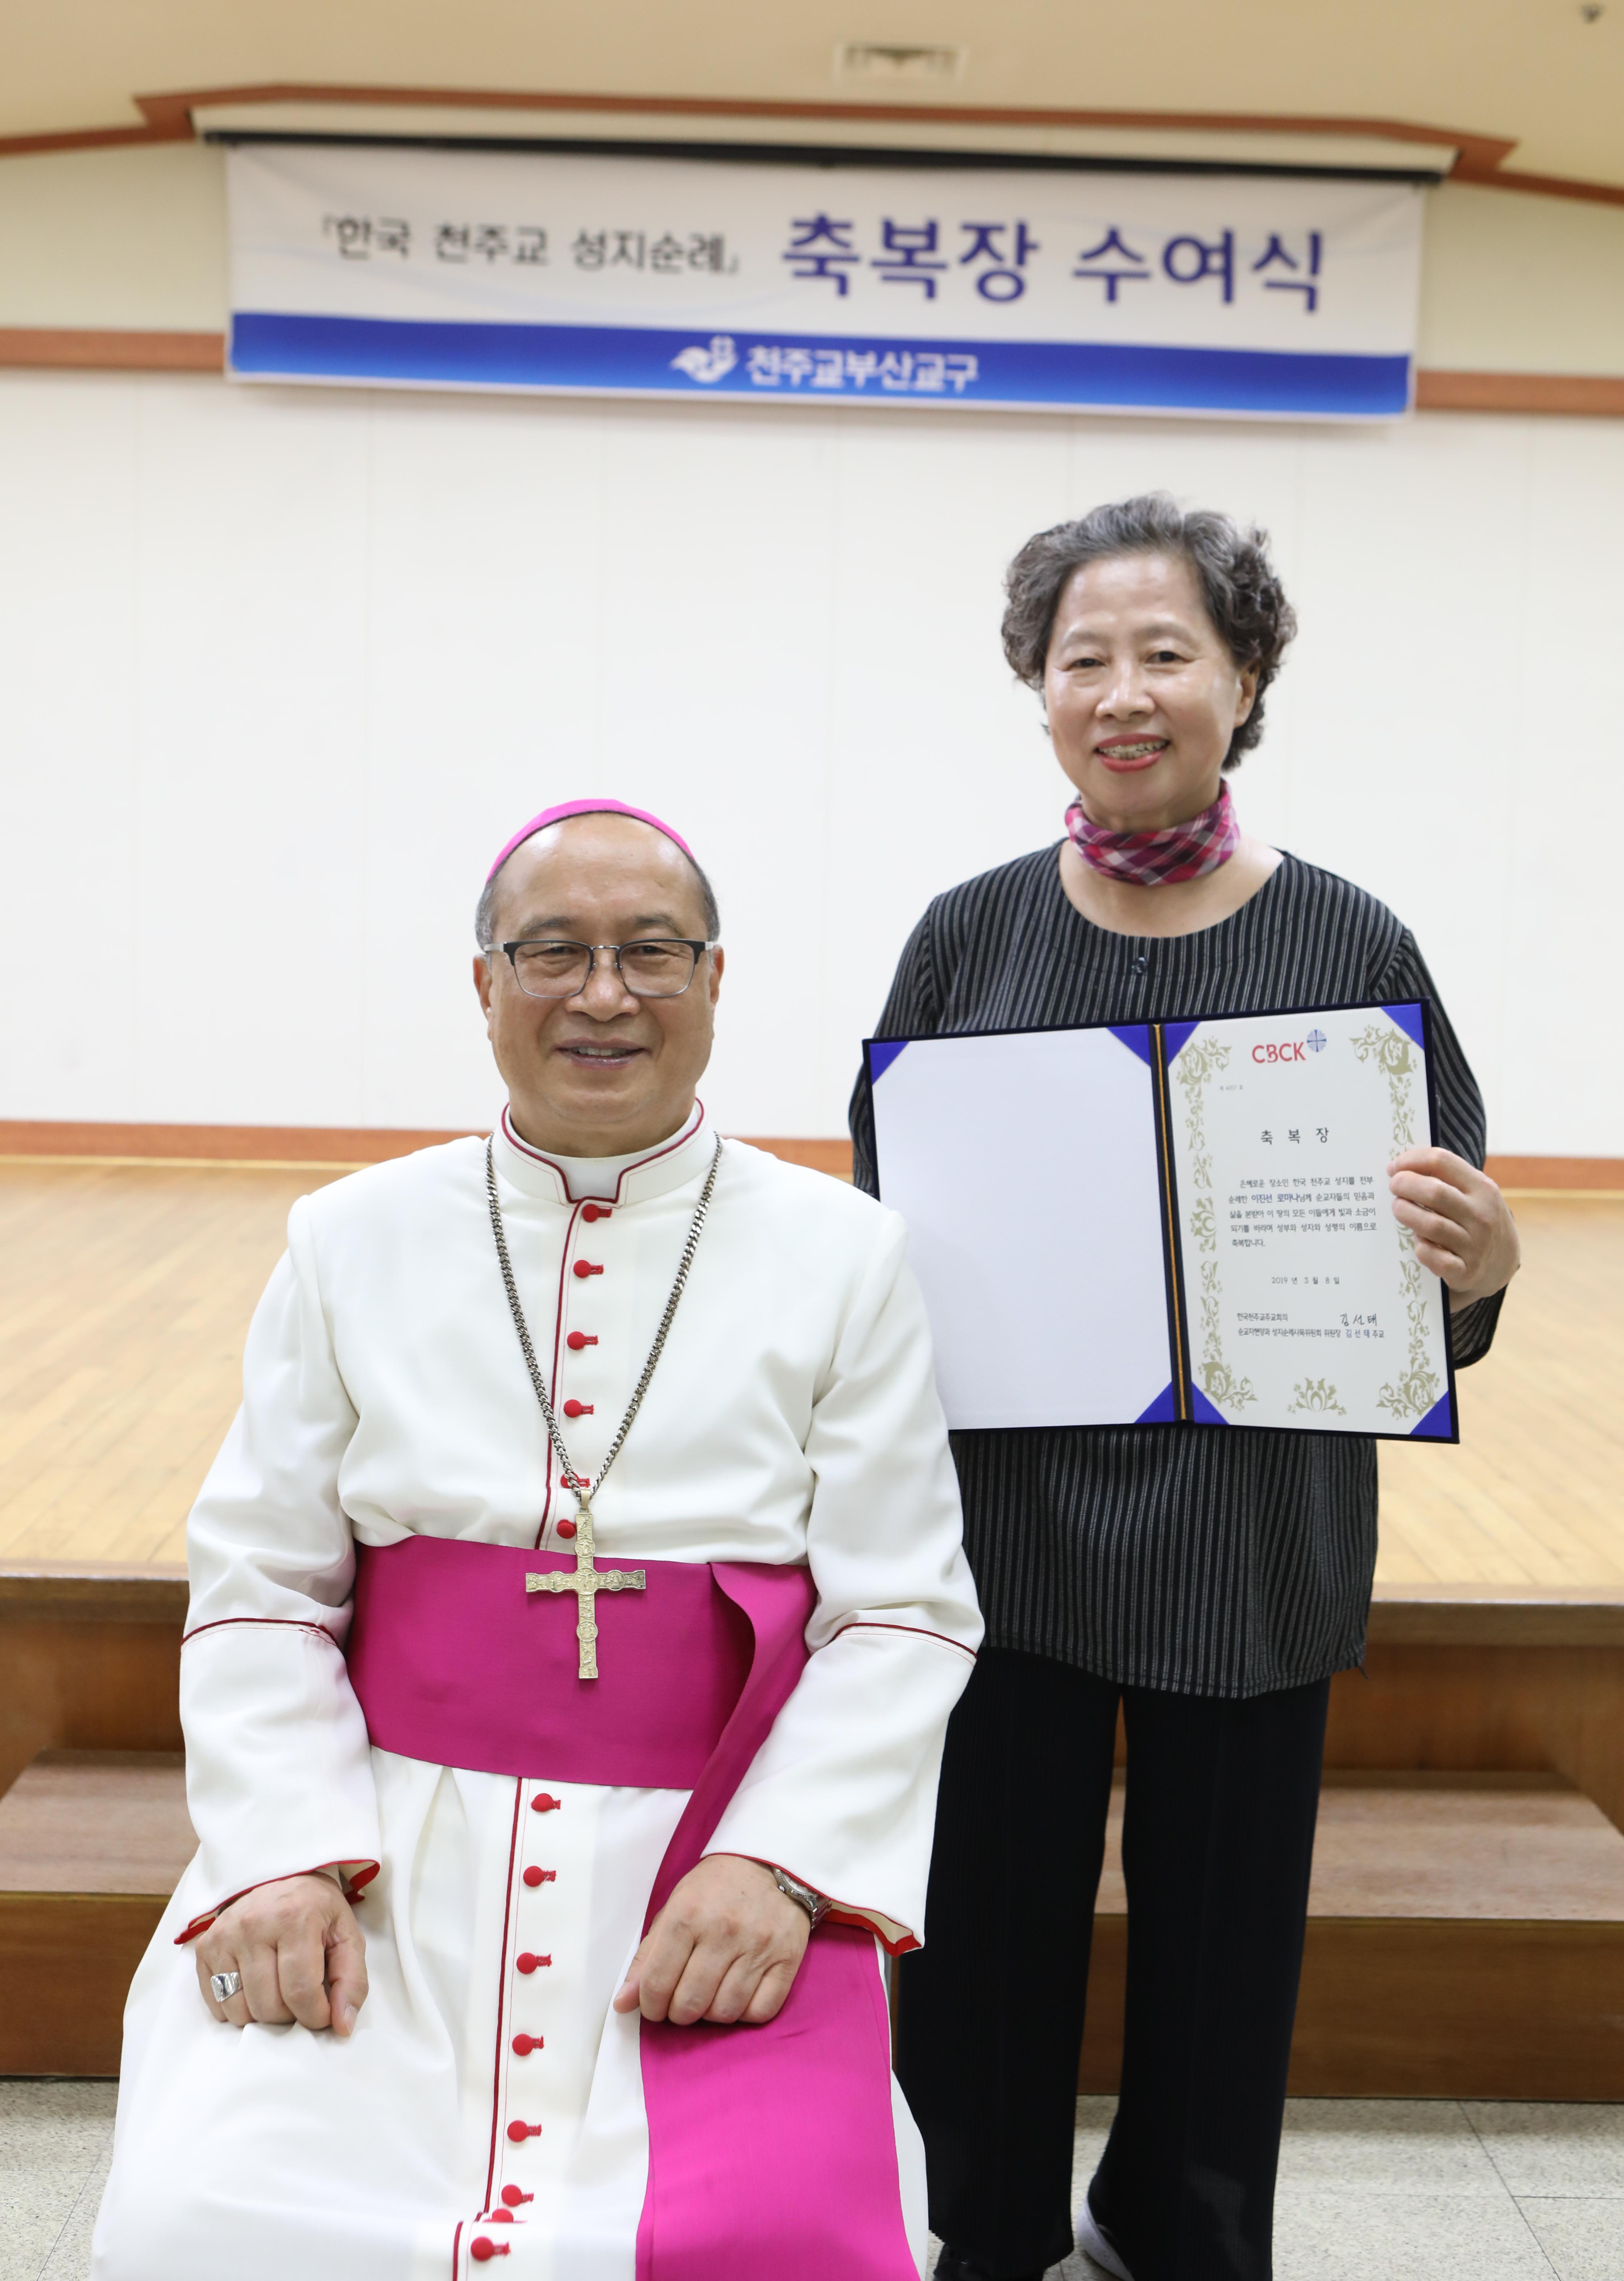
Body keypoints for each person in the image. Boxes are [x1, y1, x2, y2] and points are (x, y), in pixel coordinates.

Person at [95, 797, 982, 2281]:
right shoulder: (349, 1237)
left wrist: (777, 1867)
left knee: (779, 2238)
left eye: (650, 951)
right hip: (383, 1841)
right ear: (484, 983)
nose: (603, 993)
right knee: (215, 2214)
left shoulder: (844, 1252)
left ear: (715, 978)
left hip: (697, 1854)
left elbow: (902, 1614)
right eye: (552, 951)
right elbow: (261, 1586)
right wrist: (286, 1855)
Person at [849, 498, 1521, 2281]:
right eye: (1085, 659)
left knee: (1229, 1944)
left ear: (1244, 681)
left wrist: (1482, 1266)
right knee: (982, 1928)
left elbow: (1435, 1251)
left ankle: (1187, 2227)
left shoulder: (1350, 944)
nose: (1123, 691)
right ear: (1039, 692)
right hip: (1007, 1528)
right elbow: (883, 1232)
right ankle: (978, 2228)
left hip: (1255, 1528)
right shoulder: (965, 939)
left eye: (1167, 654)